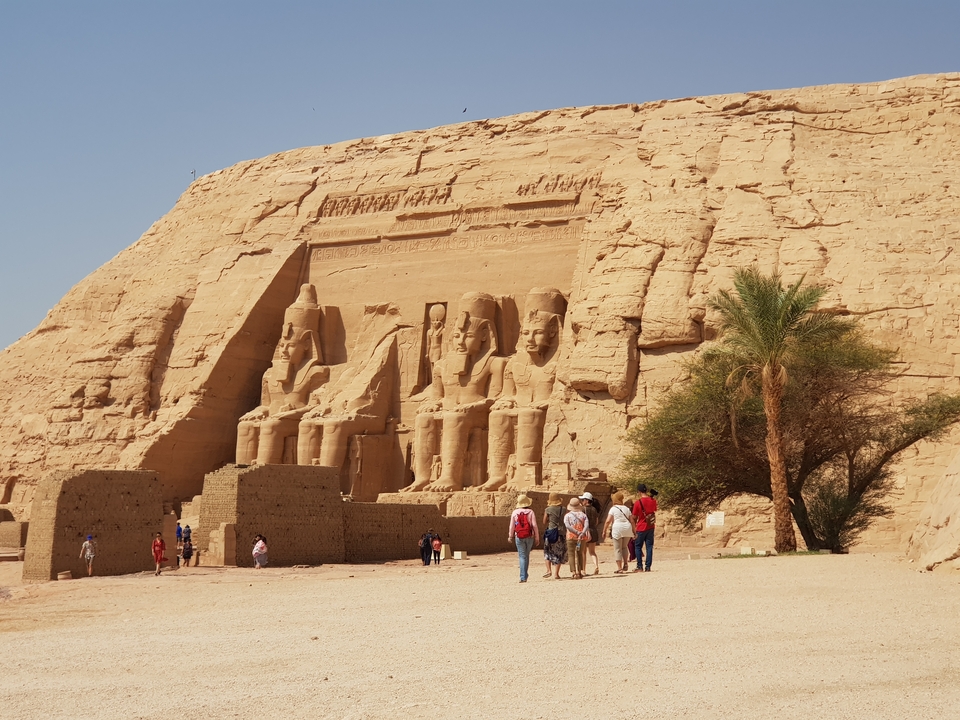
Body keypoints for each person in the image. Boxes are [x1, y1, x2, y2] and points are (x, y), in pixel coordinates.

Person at [507, 494, 539, 583]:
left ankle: (523, 577)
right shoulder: (531, 512)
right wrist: (537, 537)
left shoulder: (515, 512)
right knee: (526, 555)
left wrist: (510, 536)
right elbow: (534, 525)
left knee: (522, 556)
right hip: (530, 536)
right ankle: (525, 574)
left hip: (519, 536)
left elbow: (511, 526)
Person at [602, 492, 636, 574]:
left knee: (617, 549)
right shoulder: (626, 508)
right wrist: (634, 531)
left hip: (617, 528)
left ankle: (619, 568)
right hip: (627, 528)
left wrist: (604, 530)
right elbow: (632, 521)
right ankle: (626, 563)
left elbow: (608, 521)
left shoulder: (613, 509)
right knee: (624, 547)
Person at [541, 492, 567, 579]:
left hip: (551, 533)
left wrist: (550, 520)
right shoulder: (563, 509)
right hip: (561, 533)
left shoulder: (548, 510)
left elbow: (544, 522)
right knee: (558, 553)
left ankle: (548, 570)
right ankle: (556, 574)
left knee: (547, 551)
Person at [633, 484, 658, 572]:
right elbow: (654, 510)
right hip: (650, 526)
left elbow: (634, 516)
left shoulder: (638, 502)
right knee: (649, 547)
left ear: (639, 492)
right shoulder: (653, 500)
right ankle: (648, 567)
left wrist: (633, 527)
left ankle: (639, 566)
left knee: (638, 547)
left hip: (641, 526)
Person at [563, 497, 589, 579]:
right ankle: (579, 571)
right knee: (580, 554)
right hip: (581, 537)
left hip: (571, 536)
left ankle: (574, 572)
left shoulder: (567, 515)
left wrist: (576, 532)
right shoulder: (583, 515)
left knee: (571, 554)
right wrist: (582, 533)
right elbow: (587, 525)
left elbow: (567, 526)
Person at [580, 491, 601, 575]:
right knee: (592, 552)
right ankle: (596, 566)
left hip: (585, 531)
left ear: (587, 500)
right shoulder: (594, 509)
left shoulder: (583, 509)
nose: (582, 501)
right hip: (593, 530)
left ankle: (583, 570)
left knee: (583, 552)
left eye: (583, 500)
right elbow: (596, 521)